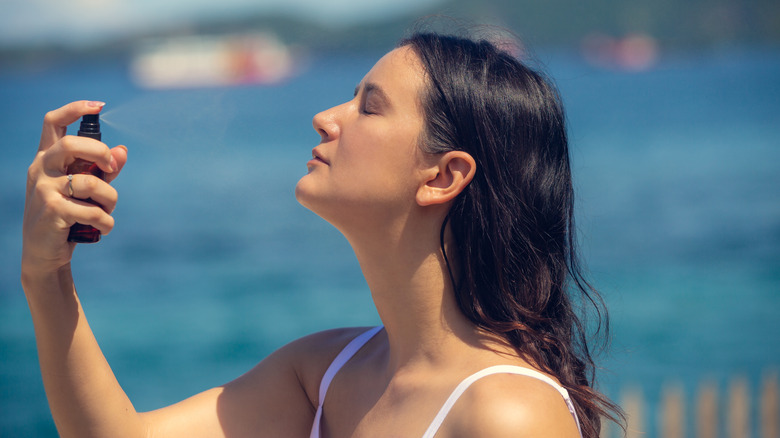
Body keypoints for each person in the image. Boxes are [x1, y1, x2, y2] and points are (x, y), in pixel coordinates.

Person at [22, 31, 621, 438]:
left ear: (443, 176)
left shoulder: (508, 415)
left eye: (369, 106)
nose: (324, 116)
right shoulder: (325, 371)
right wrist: (46, 273)